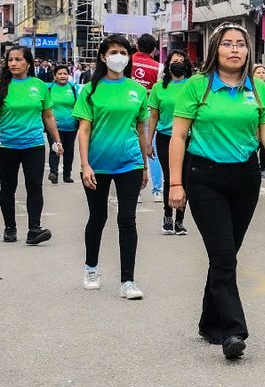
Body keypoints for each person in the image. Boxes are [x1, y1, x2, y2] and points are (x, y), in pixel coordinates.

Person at [170, 23, 265, 360]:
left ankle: (208, 322)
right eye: (227, 44)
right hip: (204, 177)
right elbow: (178, 136)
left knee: (225, 255)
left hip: (245, 178)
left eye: (240, 44)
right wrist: (175, 183)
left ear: (248, 50)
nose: (234, 49)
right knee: (225, 257)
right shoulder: (197, 86)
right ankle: (233, 331)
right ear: (215, 49)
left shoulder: (258, 89)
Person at [73, 35, 150, 299]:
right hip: (97, 164)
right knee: (98, 218)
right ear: (103, 57)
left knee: (127, 219)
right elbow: (84, 130)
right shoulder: (90, 90)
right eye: (114, 52)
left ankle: (128, 281)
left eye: (124, 52)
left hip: (130, 163)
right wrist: (85, 165)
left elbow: (141, 129)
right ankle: (91, 269)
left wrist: (144, 166)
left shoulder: (138, 90)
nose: (119, 57)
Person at [0, 46, 62, 245]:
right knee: (8, 186)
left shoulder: (39, 86)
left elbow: (48, 115)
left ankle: (34, 229)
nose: (13, 63)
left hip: (34, 144)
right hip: (7, 145)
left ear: (28, 63)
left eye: (18, 59)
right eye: (10, 60)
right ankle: (10, 228)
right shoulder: (1, 87)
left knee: (35, 185)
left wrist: (57, 140)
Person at [147, 50, 192, 236]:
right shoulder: (159, 88)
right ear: (168, 65)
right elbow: (153, 116)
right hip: (165, 137)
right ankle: (167, 217)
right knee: (170, 176)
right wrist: (148, 142)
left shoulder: (192, 86)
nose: (178, 63)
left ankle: (180, 220)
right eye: (175, 61)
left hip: (189, 139)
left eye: (182, 60)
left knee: (185, 178)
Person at [131, 33, 163, 201]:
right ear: (154, 50)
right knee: (151, 148)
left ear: (137, 46)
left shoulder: (127, 62)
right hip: (149, 112)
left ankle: (136, 191)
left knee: (133, 148)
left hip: (129, 110)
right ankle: (157, 190)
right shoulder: (159, 67)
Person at [47, 65, 79, 184]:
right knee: (55, 148)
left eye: (65, 74)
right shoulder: (49, 88)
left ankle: (67, 175)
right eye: (59, 74)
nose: (62, 76)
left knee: (69, 151)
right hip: (54, 126)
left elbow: (78, 105)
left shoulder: (73, 88)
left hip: (71, 126)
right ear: (55, 76)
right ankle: (53, 173)